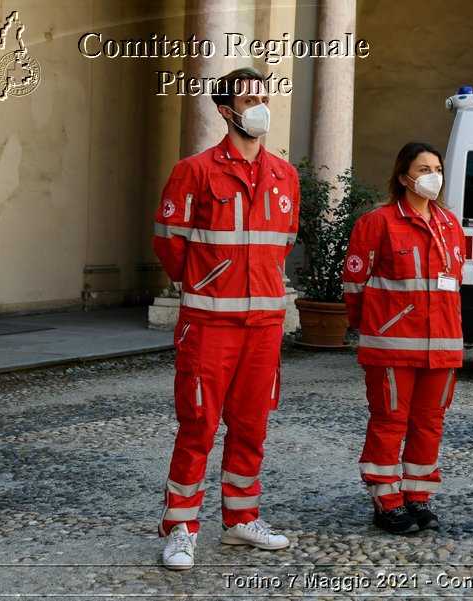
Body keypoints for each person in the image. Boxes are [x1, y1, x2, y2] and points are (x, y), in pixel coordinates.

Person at [151, 67, 296, 570]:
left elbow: (282, 245)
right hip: (210, 325)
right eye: (249, 97)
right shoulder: (194, 170)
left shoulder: (285, 175)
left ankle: (239, 520)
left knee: (252, 426)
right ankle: (181, 529)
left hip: (264, 327)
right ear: (225, 111)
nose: (260, 104)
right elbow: (169, 244)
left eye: (263, 94)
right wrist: (205, 285)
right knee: (198, 427)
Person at [342, 142, 464, 534]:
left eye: (437, 168)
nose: (434, 175)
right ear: (403, 176)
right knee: (389, 422)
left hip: (442, 347)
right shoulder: (377, 223)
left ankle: (417, 496)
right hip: (392, 345)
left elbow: (455, 284)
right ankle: (386, 502)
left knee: (429, 423)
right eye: (424, 168)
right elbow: (354, 285)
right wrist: (377, 328)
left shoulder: (450, 224)